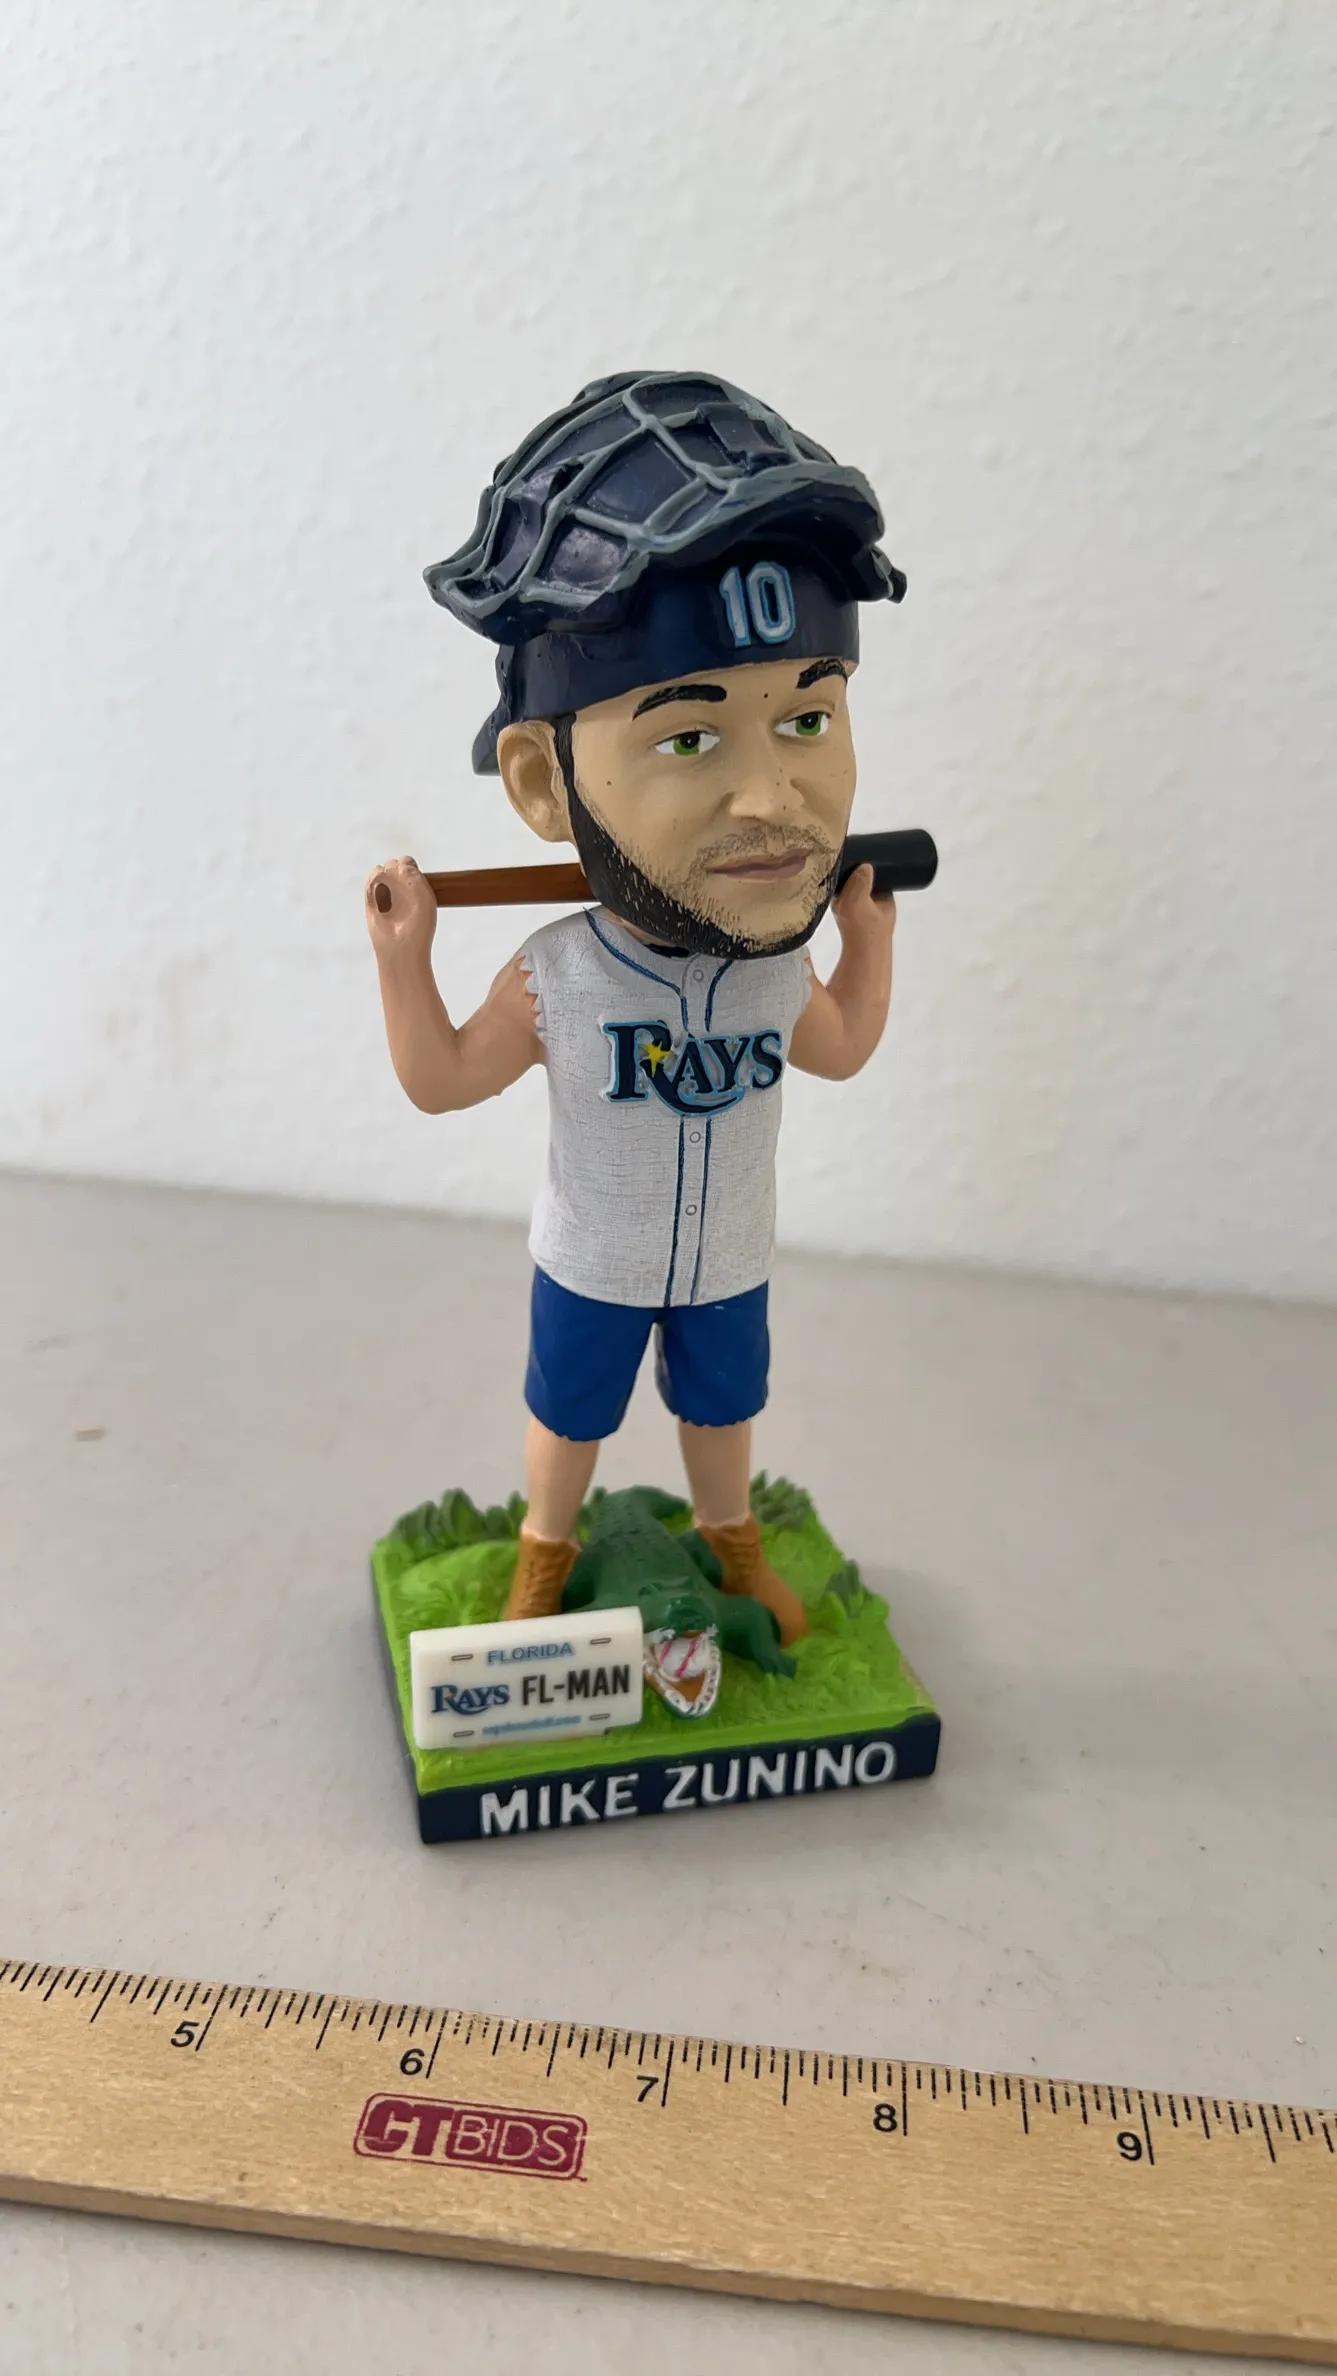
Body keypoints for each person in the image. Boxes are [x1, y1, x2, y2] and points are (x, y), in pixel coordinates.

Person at [366, 372, 905, 1638]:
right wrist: (404, 960)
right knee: (569, 1418)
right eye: (687, 739)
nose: (770, 798)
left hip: (727, 1254)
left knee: (723, 1411)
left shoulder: (772, 968)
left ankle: (731, 1542)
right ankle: (542, 1554)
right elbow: (442, 1080)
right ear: (542, 787)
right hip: (594, 1260)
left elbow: (837, 1049)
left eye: (807, 716)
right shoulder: (560, 974)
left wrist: (867, 946)